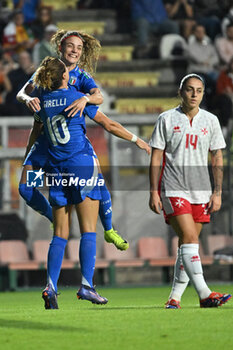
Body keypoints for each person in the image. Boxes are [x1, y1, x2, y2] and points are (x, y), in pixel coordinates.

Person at [31, 56, 150, 309]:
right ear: (64, 76)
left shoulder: (42, 103)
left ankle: (50, 286)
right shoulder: (76, 96)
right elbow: (108, 123)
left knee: (60, 234)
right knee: (88, 229)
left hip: (56, 169)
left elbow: (37, 130)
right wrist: (137, 140)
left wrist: (28, 157)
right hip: (81, 165)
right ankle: (86, 285)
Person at [17, 30, 129, 251]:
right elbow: (22, 93)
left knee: (95, 184)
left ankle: (108, 229)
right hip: (45, 143)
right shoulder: (46, 71)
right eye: (71, 46)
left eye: (79, 48)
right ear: (60, 47)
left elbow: (99, 96)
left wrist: (84, 98)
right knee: (26, 188)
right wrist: (29, 99)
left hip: (72, 146)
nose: (75, 51)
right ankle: (54, 218)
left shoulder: (82, 76)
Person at [149, 73, 232, 308]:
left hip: (201, 191)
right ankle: (205, 293)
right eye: (189, 89)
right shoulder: (166, 119)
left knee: (188, 245)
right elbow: (156, 156)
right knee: (190, 238)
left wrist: (217, 193)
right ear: (180, 91)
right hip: (173, 188)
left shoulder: (211, 121)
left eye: (199, 90)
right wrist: (153, 191)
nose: (194, 94)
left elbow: (217, 157)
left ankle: (174, 298)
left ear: (203, 94)